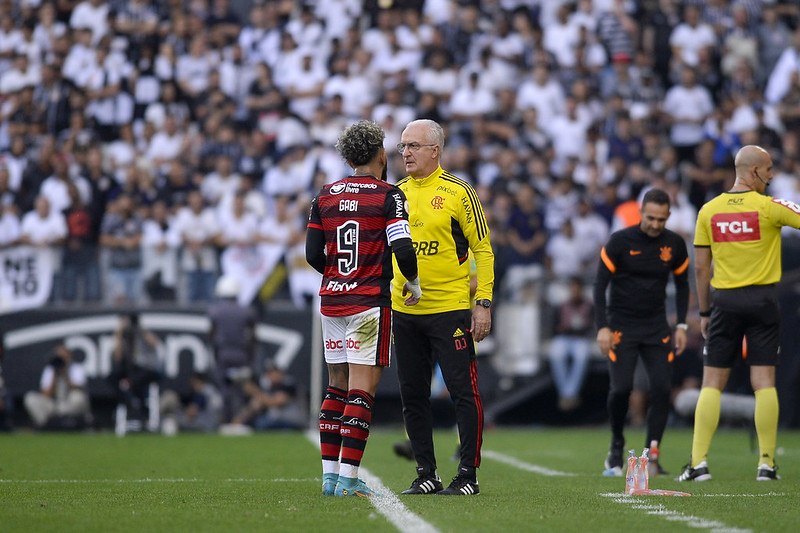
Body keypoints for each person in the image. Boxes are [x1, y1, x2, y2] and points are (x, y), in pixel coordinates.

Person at [305, 119, 421, 498]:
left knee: (335, 386)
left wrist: (339, 275)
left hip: (331, 301)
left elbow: (311, 254)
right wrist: (413, 283)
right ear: (379, 154)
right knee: (361, 391)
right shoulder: (389, 195)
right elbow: (403, 248)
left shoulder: (325, 194)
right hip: (368, 303)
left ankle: (328, 478)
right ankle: (350, 481)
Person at [677, 145, 799, 482]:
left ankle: (698, 464)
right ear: (754, 170)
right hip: (763, 302)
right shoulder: (770, 207)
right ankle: (766, 464)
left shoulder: (708, 210)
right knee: (764, 383)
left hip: (724, 303)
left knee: (712, 383)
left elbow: (701, 270)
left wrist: (703, 311)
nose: (773, 176)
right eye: (770, 169)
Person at [392, 119, 494, 496]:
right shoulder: (396, 194)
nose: (405, 153)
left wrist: (481, 303)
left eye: (413, 146)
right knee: (412, 395)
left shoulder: (459, 192)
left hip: (450, 309)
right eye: (403, 146)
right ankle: (426, 473)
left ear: (435, 150)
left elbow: (483, 251)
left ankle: (468, 474)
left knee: (462, 392)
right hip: (405, 313)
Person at [594, 188, 690, 476]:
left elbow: (683, 284)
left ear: (668, 216)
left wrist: (682, 325)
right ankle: (616, 445)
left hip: (657, 327)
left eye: (661, 219)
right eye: (651, 218)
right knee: (621, 389)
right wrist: (602, 326)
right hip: (621, 327)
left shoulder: (674, 244)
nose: (656, 224)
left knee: (661, 387)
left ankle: (652, 454)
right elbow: (600, 285)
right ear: (641, 213)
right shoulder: (620, 241)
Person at [207, 275, 257, 423]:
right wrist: (250, 354)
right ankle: (242, 420)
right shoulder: (246, 311)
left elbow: (211, 334)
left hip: (223, 353)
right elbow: (253, 336)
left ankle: (226, 419)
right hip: (241, 354)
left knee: (225, 389)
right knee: (244, 388)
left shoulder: (215, 310)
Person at [549, 276, 593, 412]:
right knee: (556, 353)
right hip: (564, 338)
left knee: (582, 355)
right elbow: (554, 327)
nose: (575, 292)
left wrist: (582, 327)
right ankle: (568, 395)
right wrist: (564, 328)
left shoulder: (589, 305)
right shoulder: (562, 306)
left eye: (577, 289)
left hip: (581, 338)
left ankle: (568, 395)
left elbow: (592, 325)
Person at [24, 342, 92, 430]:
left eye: (63, 356)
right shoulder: (50, 370)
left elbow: (77, 388)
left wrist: (65, 373)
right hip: (53, 405)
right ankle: (46, 425)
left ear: (69, 356)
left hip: (69, 405)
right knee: (30, 398)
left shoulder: (76, 368)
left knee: (78, 397)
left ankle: (69, 423)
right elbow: (46, 394)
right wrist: (55, 375)